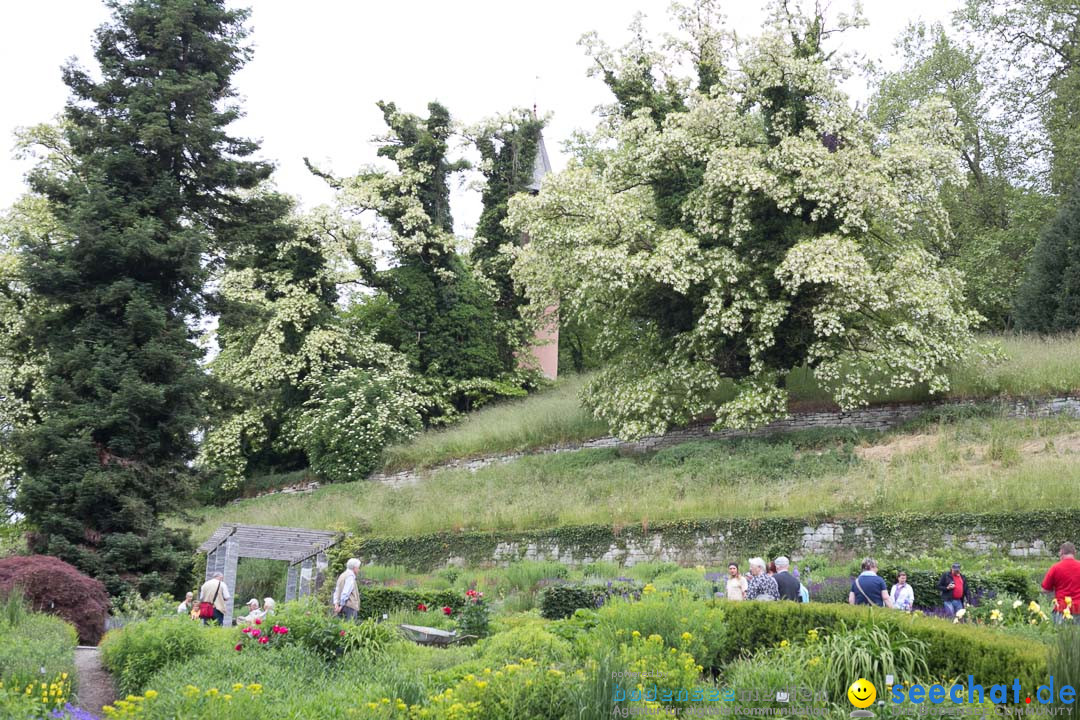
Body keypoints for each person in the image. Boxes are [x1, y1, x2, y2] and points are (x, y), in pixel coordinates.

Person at [1042, 542, 1080, 623]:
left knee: (1062, 635)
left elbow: (1045, 589)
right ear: (1074, 553)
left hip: (1062, 609)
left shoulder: (1055, 568)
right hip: (1078, 609)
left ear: (1061, 552)